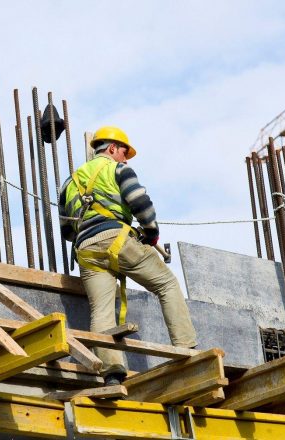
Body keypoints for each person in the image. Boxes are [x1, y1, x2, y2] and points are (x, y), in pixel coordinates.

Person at [58, 126, 197, 385]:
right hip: (118, 240)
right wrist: (151, 233)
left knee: (101, 310)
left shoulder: (69, 183)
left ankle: (112, 373)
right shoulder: (118, 169)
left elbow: (67, 230)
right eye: (124, 152)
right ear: (112, 149)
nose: (125, 158)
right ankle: (187, 350)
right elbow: (141, 204)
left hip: (86, 250)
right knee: (166, 284)